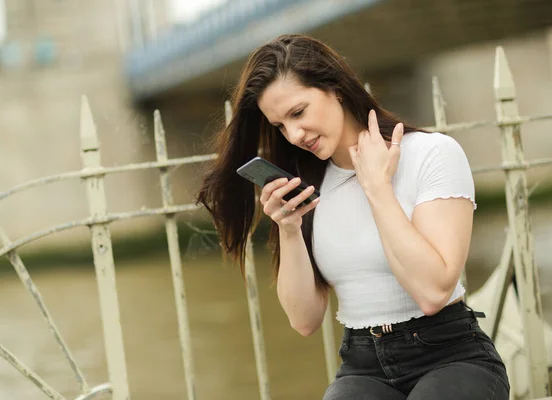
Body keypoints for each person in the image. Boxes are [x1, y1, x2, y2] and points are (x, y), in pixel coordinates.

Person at [196, 34, 510, 399]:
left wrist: (377, 188)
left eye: (298, 112)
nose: (294, 134)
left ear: (337, 89)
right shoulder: (308, 183)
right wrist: (289, 228)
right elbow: (304, 320)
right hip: (363, 365)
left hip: (449, 355)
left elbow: (432, 292)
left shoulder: (431, 154)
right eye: (280, 125)